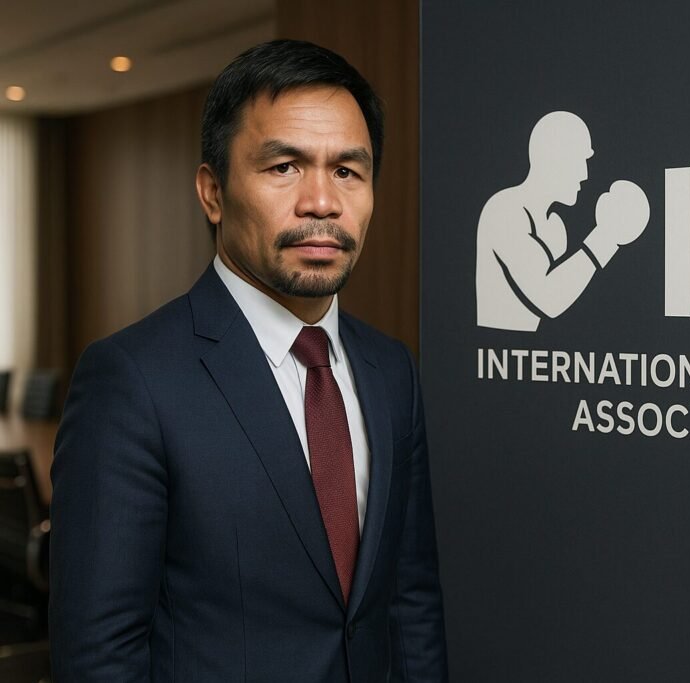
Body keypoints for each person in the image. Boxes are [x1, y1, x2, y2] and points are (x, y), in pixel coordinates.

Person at [48, 39, 448, 682]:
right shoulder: (132, 380)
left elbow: (411, 605)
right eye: (285, 166)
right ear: (212, 192)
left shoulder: (391, 371)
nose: (322, 202)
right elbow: (100, 657)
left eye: (348, 170)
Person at [475, 111, 650, 331]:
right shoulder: (503, 211)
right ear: (552, 159)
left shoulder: (555, 227)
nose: (585, 174)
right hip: (493, 357)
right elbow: (547, 299)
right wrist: (606, 237)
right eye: (580, 161)